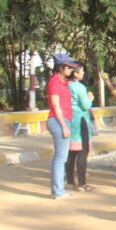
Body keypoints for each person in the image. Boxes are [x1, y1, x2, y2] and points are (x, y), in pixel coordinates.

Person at [45, 54, 78, 200]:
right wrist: (64, 126)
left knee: (60, 158)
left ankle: (58, 190)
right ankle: (58, 191)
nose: (70, 69)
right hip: (59, 121)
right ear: (60, 68)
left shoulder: (63, 82)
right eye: (68, 67)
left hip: (63, 120)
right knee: (60, 158)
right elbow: (55, 105)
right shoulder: (54, 82)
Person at [65, 64, 95, 193]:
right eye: (81, 71)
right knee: (83, 151)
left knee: (71, 152)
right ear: (75, 73)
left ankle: (70, 181)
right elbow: (85, 105)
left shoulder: (66, 85)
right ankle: (82, 183)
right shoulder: (79, 87)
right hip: (81, 120)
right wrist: (90, 99)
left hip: (70, 120)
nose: (83, 73)